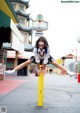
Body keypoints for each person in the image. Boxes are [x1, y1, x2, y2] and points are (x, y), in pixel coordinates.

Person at [5, 36, 75, 76]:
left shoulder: (48, 49)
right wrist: (39, 69)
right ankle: (13, 70)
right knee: (26, 63)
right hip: (37, 58)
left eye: (42, 45)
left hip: (45, 58)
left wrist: (43, 69)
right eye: (39, 45)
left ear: (44, 44)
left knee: (56, 63)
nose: (40, 46)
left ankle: (68, 72)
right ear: (38, 44)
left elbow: (45, 61)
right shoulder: (35, 49)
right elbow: (38, 61)